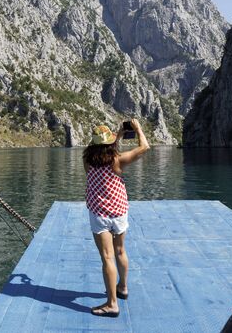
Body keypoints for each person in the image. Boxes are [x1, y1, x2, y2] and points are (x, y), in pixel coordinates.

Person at [83, 119, 150, 317]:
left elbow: (100, 148)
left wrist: (117, 135)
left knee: (107, 257)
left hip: (99, 213)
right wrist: (137, 129)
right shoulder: (118, 160)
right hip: (119, 211)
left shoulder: (87, 159)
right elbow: (144, 146)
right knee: (120, 251)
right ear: (110, 143)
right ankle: (123, 287)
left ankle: (112, 303)